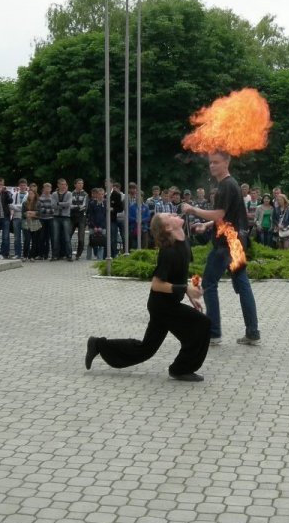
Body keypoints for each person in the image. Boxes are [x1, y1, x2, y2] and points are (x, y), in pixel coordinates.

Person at [84, 212, 210, 382]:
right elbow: (156, 284)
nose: (174, 213)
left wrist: (189, 293)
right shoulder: (168, 251)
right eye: (169, 215)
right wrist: (185, 288)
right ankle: (181, 369)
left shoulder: (183, 241)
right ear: (168, 227)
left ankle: (98, 344)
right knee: (202, 324)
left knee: (145, 349)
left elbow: (181, 273)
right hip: (163, 307)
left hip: (166, 305)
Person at [181, 151, 260, 347]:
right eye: (210, 163)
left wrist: (193, 209)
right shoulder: (230, 185)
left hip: (225, 245)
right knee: (243, 287)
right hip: (236, 244)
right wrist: (207, 225)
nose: (212, 166)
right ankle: (252, 332)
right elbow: (227, 217)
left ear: (227, 162)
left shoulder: (226, 185)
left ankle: (214, 333)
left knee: (208, 283)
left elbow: (219, 213)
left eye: (216, 162)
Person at [51, 178, 73, 261]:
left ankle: (69, 255)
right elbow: (52, 205)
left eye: (65, 184)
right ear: (58, 185)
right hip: (56, 217)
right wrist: (62, 205)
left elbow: (68, 204)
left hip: (66, 217)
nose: (64, 186)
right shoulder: (54, 194)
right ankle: (55, 255)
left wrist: (58, 204)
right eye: (62, 184)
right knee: (55, 237)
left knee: (67, 237)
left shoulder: (69, 194)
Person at [70, 178, 88, 260]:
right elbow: (69, 206)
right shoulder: (71, 194)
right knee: (68, 235)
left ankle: (78, 254)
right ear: (75, 184)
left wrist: (75, 207)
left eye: (82, 183)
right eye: (79, 183)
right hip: (72, 217)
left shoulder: (85, 194)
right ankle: (68, 252)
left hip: (81, 218)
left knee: (81, 238)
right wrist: (77, 207)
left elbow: (84, 206)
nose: (81, 185)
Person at [10, 179, 28, 259]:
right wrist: (20, 207)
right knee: (17, 238)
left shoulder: (28, 195)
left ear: (26, 186)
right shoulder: (14, 195)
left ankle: (25, 254)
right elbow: (11, 206)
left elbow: (27, 207)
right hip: (16, 218)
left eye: (24, 185)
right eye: (21, 185)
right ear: (19, 186)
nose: (22, 187)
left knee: (25, 237)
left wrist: (17, 207)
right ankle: (17, 254)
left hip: (25, 218)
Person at [22, 188, 42, 260]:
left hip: (35, 223)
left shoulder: (38, 203)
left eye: (32, 194)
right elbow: (23, 214)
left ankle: (32, 256)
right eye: (29, 194)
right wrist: (30, 213)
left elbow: (40, 214)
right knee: (27, 240)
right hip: (26, 223)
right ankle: (24, 255)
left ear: (35, 194)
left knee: (34, 240)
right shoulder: (25, 203)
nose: (30, 195)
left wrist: (31, 214)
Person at [37, 183, 55, 260]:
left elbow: (55, 209)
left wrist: (48, 210)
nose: (47, 190)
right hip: (42, 219)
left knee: (49, 238)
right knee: (41, 237)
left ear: (51, 189)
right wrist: (50, 210)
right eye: (46, 188)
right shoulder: (40, 198)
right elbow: (41, 210)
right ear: (43, 189)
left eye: (49, 188)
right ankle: (41, 254)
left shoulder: (53, 198)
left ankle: (47, 254)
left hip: (51, 219)